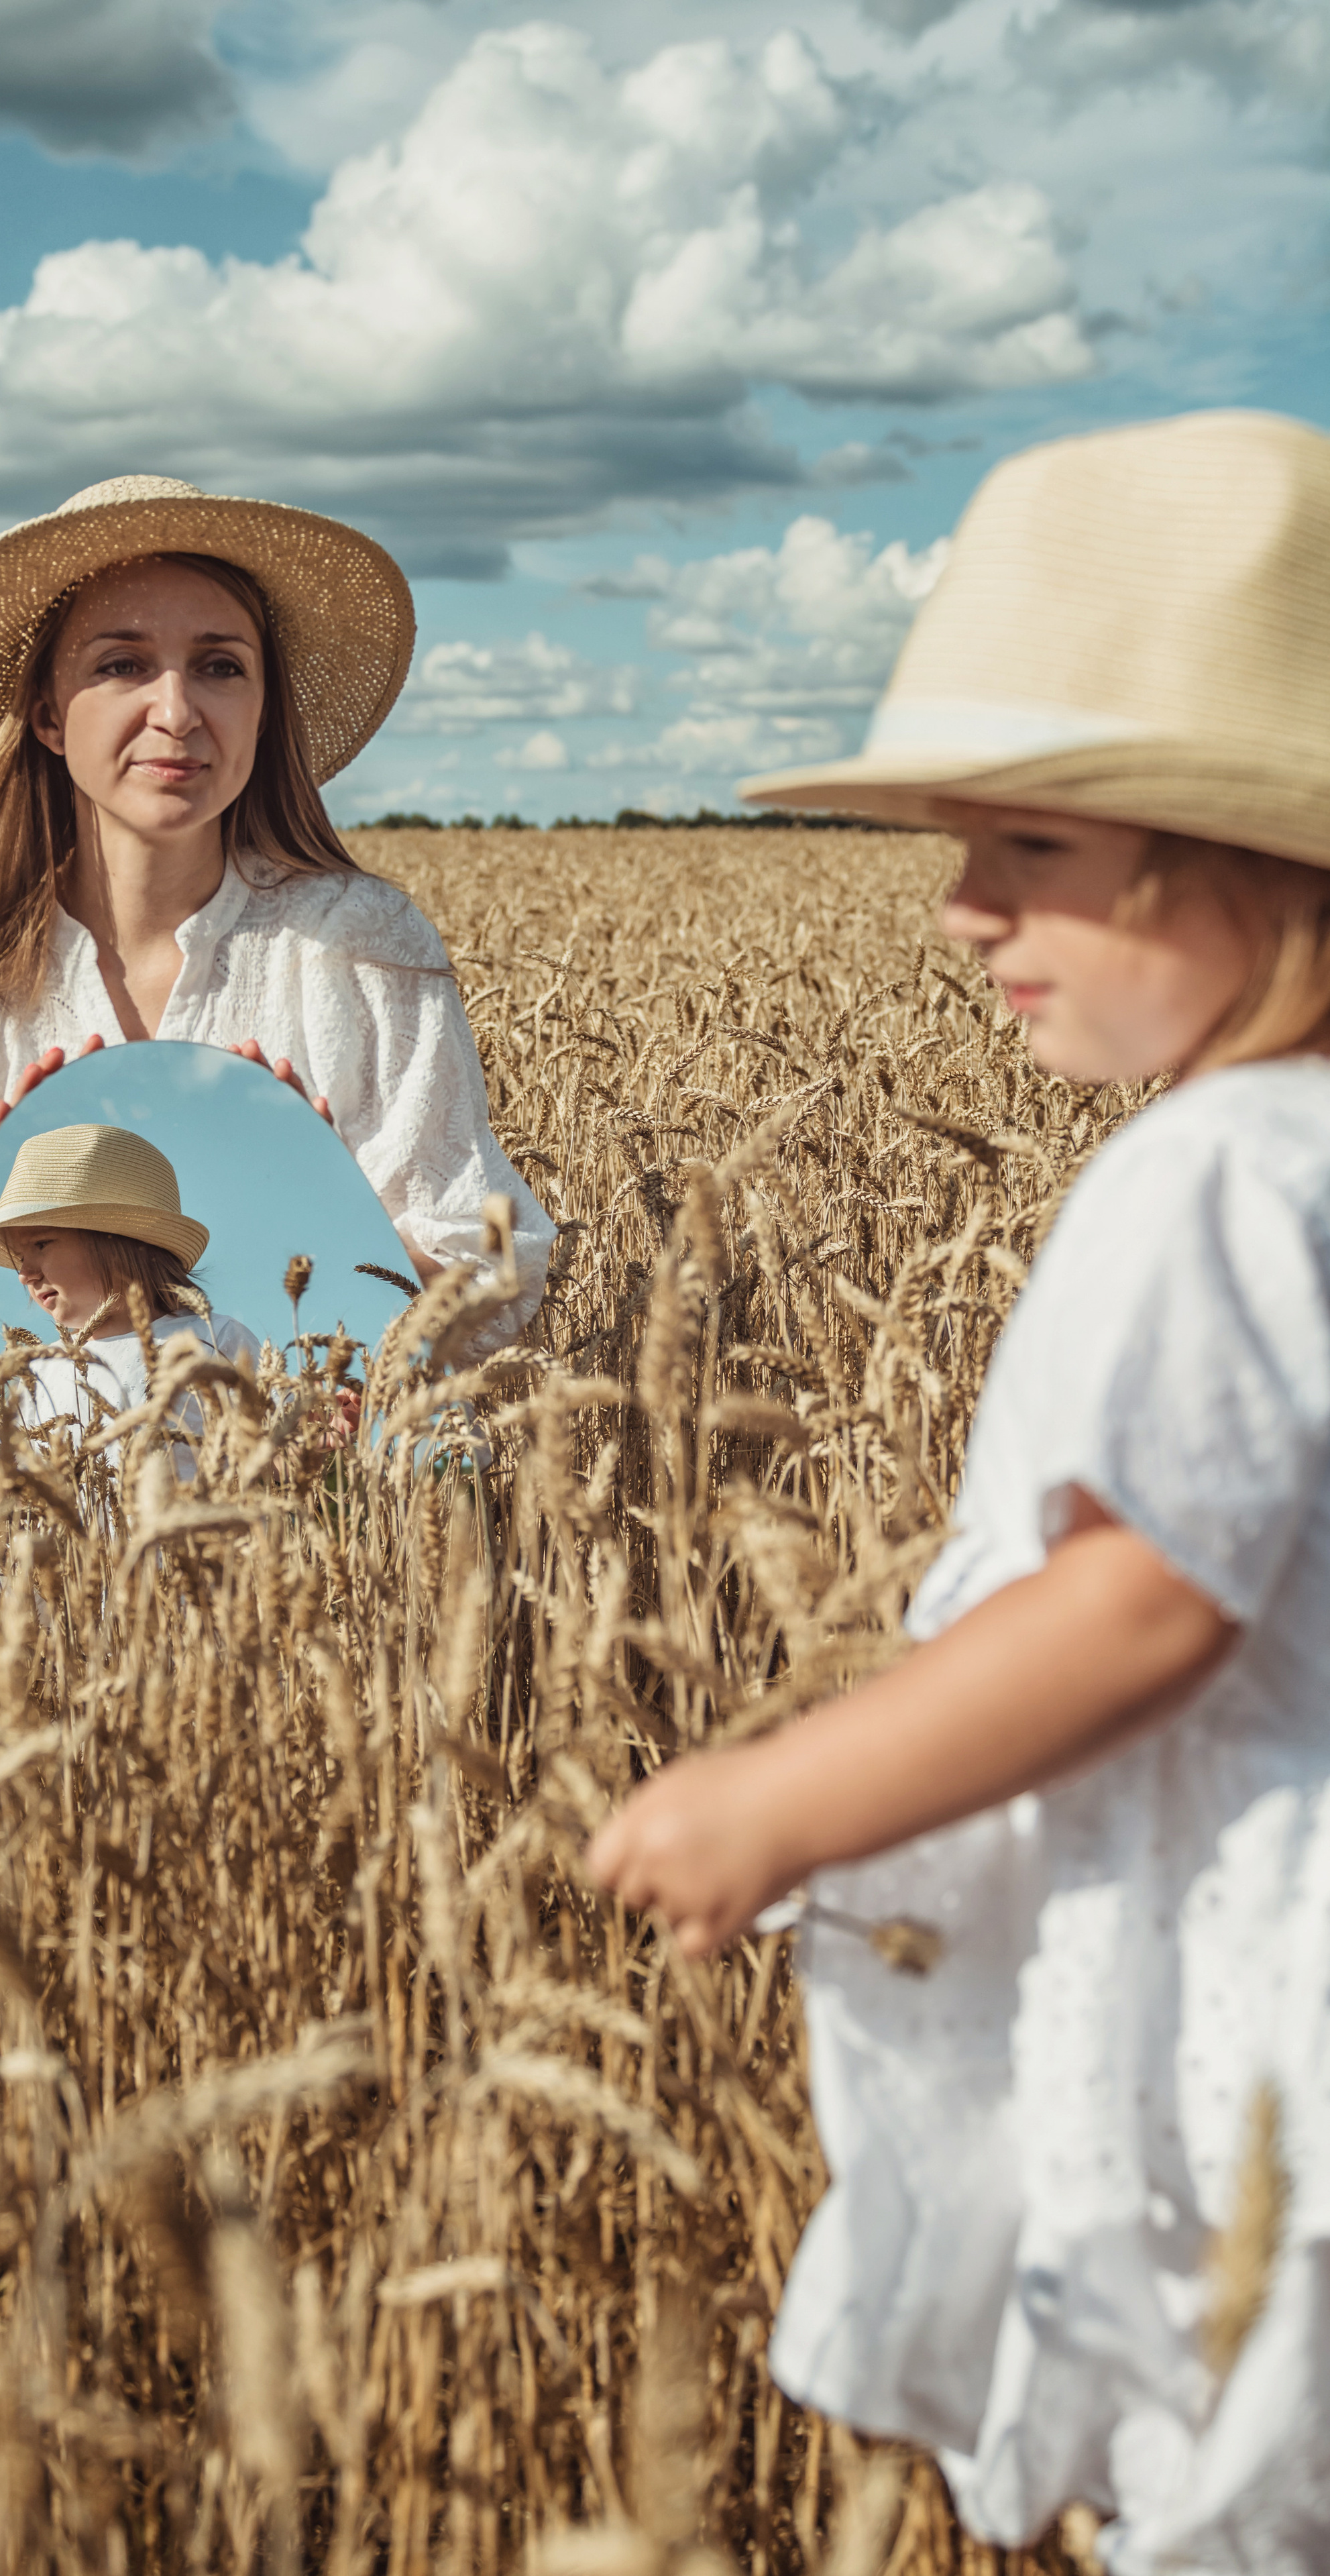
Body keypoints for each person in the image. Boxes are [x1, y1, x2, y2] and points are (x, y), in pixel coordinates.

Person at [588, 411, 1330, 2575]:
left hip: (1258, 1999)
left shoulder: (1206, 1176)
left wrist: (789, 1802)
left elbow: (1142, 1606)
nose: (956, 913)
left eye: (1027, 849)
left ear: (1254, 864)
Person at [0, 473, 551, 1459]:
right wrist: (37, 1301)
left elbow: (482, 1255)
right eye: (123, 665)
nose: (177, 711)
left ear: (262, 707)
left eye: (220, 667)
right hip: (13, 1464)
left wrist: (328, 1226)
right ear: (45, 713)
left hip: (325, 1459)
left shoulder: (365, 942)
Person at [0, 1122, 260, 1483]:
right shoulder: (40, 1374)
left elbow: (277, 1450)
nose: (26, 1274)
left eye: (41, 1244)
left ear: (117, 1243)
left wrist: (325, 1432)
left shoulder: (214, 1340)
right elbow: (10, 1499)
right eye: (19, 1258)